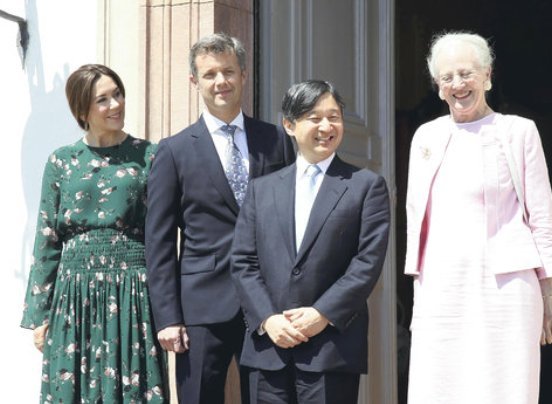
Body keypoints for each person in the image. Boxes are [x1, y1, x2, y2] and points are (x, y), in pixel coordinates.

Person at [404, 31, 552, 404]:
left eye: (466, 73)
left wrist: (549, 294)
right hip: (441, 288)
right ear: (438, 86)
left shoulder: (519, 131)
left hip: (507, 290)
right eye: (447, 77)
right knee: (440, 387)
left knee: (504, 388)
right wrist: (417, 289)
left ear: (487, 76)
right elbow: (417, 220)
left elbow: (541, 217)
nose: (457, 84)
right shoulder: (425, 137)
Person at [145, 32, 295, 404]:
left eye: (228, 71)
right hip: (201, 306)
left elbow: (293, 220)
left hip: (267, 303)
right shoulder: (174, 151)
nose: (220, 81)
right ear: (194, 81)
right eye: (209, 74)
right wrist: (168, 317)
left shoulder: (276, 140)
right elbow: (159, 241)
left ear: (243, 74)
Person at [230, 80, 391, 404]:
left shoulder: (365, 186)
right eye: (314, 118)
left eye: (334, 117)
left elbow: (366, 263)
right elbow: (243, 261)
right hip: (269, 349)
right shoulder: (262, 189)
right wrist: (268, 319)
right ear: (289, 125)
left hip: (330, 348)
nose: (326, 127)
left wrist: (322, 313)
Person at [21, 64, 167, 402]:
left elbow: (160, 233)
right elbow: (47, 238)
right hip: (74, 294)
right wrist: (40, 314)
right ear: (82, 110)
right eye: (103, 99)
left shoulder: (150, 156)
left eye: (118, 94)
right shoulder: (61, 161)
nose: (116, 104)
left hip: (132, 290)